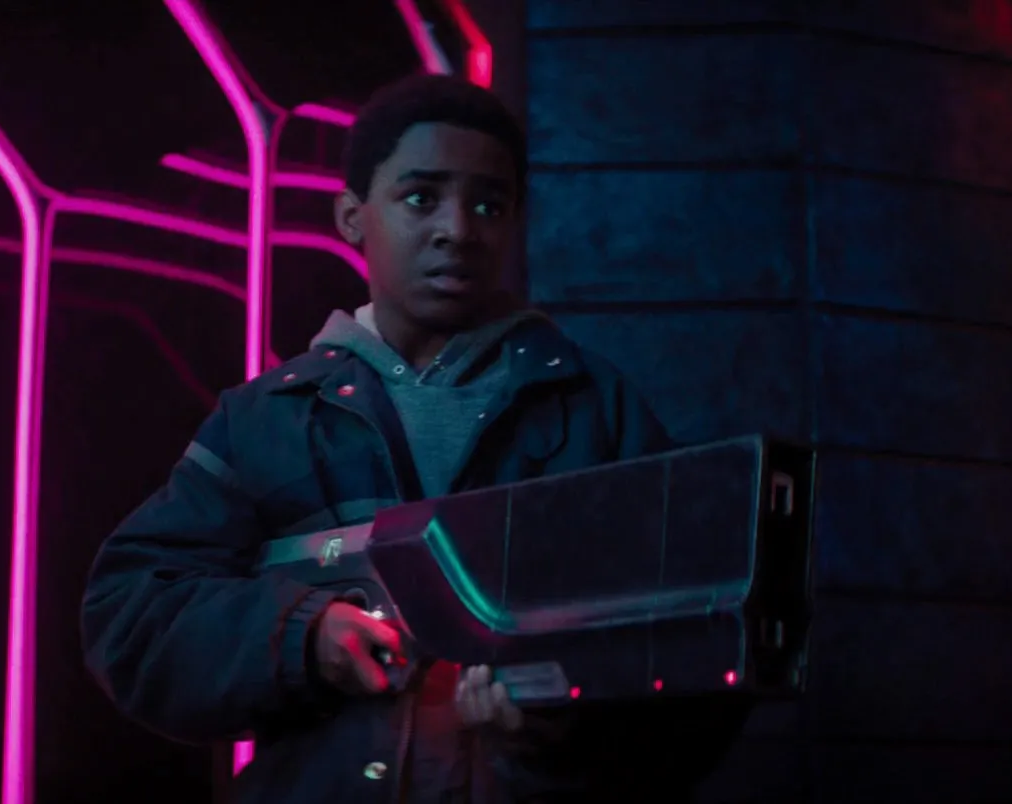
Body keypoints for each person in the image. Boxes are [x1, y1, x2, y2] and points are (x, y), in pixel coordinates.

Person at [81, 73, 745, 803]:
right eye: (421, 197)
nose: (458, 229)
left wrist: (557, 720)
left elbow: (700, 648)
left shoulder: (595, 410)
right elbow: (133, 615)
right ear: (351, 216)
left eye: (488, 204)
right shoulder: (268, 419)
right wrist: (304, 636)